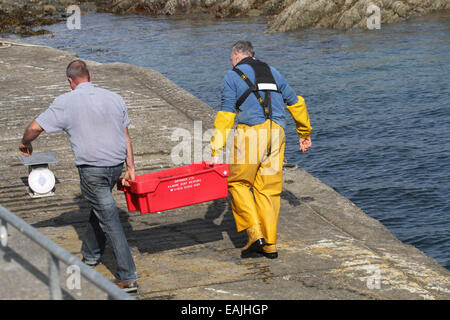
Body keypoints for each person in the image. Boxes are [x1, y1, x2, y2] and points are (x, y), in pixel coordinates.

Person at [19, 60, 138, 292]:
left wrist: (25, 143)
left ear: (70, 81)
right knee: (100, 208)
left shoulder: (65, 101)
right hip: (115, 166)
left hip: (92, 170)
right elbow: (126, 136)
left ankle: (128, 276)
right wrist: (130, 167)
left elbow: (35, 127)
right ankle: (91, 256)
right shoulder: (114, 97)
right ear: (89, 76)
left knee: (110, 219)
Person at [210, 41, 312, 259]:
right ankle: (270, 245)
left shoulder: (232, 75)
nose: (232, 63)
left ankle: (255, 235)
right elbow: (295, 102)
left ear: (237, 55)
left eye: (231, 59)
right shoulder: (273, 71)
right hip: (277, 133)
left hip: (252, 134)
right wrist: (304, 133)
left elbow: (227, 113)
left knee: (238, 183)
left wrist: (216, 148)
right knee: (269, 190)